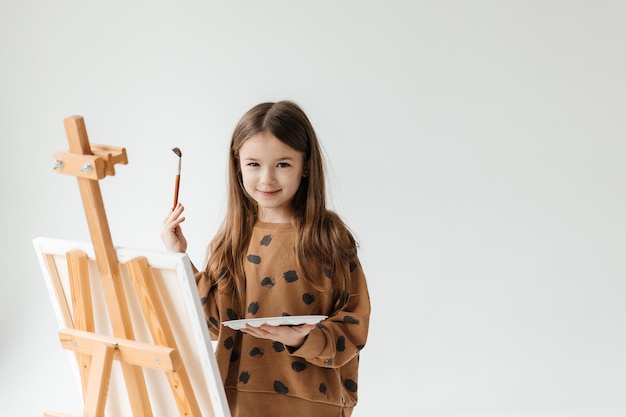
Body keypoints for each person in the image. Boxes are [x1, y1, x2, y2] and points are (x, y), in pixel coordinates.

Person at [161, 100, 370, 417]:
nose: (267, 179)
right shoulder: (231, 239)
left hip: (312, 403)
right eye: (254, 164)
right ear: (238, 166)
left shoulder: (330, 238)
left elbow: (355, 327)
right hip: (239, 401)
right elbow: (214, 323)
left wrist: (304, 338)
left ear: (306, 166)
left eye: (283, 164)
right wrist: (179, 258)